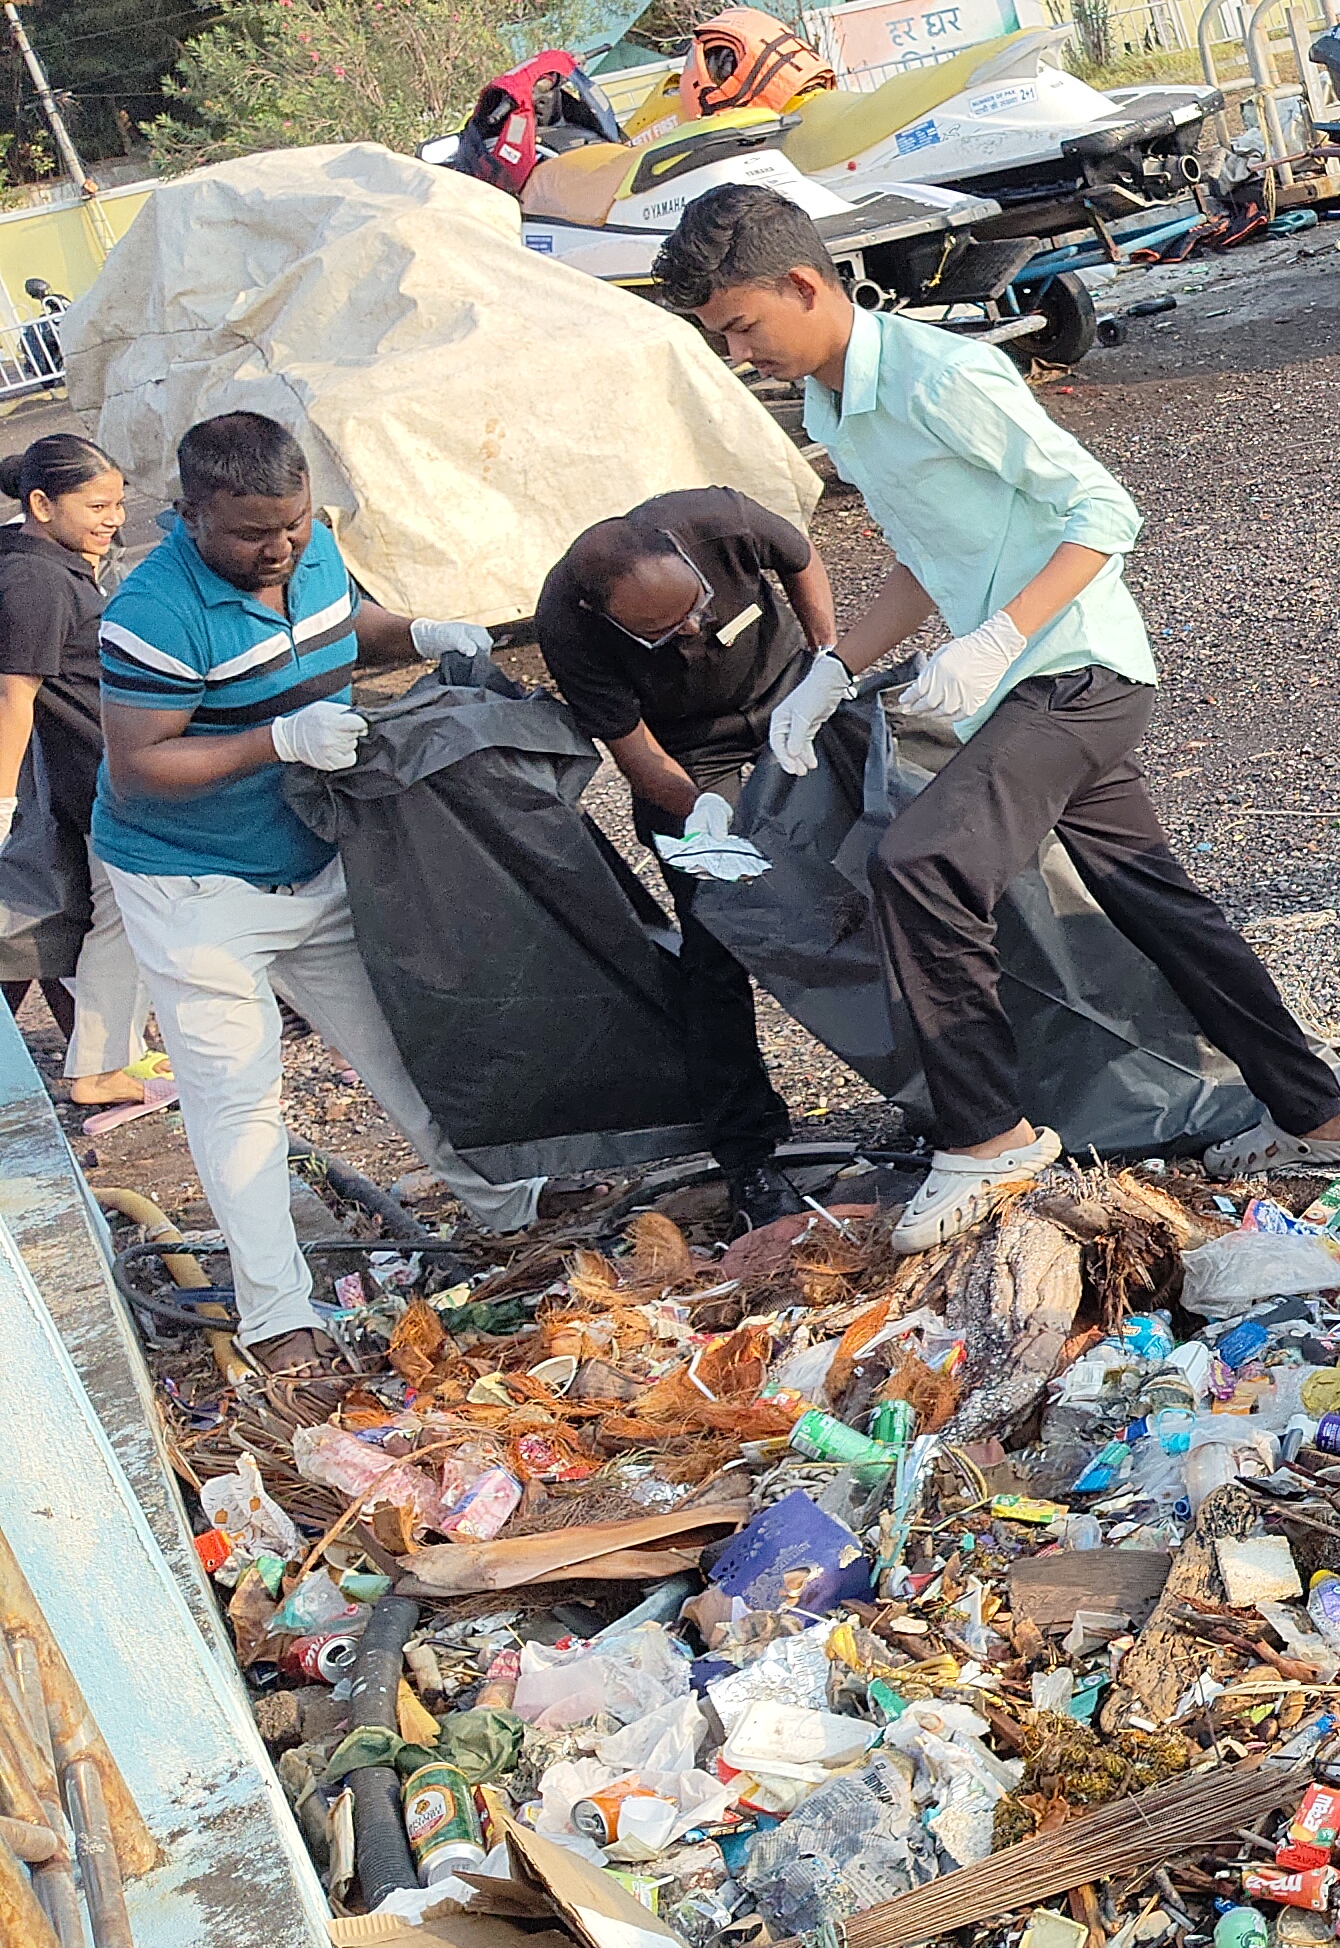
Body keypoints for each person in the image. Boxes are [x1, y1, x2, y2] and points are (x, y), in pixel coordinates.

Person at [650, 185, 1340, 1250]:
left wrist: (998, 635)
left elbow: (1102, 513)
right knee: (1157, 904)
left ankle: (988, 1137)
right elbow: (921, 551)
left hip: (1076, 669)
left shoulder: (945, 376)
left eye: (743, 326)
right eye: (720, 338)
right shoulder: (829, 404)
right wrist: (830, 668)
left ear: (804, 285)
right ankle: (1323, 1116)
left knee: (920, 866)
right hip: (1022, 681)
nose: (739, 353)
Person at [96, 413, 547, 1369]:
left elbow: (344, 628)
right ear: (188, 514)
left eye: (294, 524)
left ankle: (506, 1205)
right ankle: (275, 1315)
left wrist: (415, 631)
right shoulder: (154, 613)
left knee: (402, 1039)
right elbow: (138, 767)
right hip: (193, 883)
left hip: (311, 846)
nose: (279, 549)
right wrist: (276, 740)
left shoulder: (310, 550)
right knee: (238, 1095)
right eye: (252, 533)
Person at [534, 491, 843, 1230]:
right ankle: (748, 1153)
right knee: (717, 941)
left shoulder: (721, 519)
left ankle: (941, 1092)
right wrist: (697, 809)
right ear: (609, 619)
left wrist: (828, 659)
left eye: (696, 608)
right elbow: (637, 753)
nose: (694, 628)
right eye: (665, 630)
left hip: (792, 703)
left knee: (875, 881)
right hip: (689, 757)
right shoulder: (565, 625)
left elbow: (801, 561)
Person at [0, 434, 155, 1107]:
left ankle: (111, 1058)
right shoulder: (35, 580)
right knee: (128, 913)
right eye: (96, 504)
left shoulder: (43, 561)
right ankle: (98, 1066)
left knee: (114, 915)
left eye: (119, 503)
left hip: (94, 771)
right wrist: (2, 804)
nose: (114, 518)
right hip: (95, 776)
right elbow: (15, 698)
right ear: (41, 503)